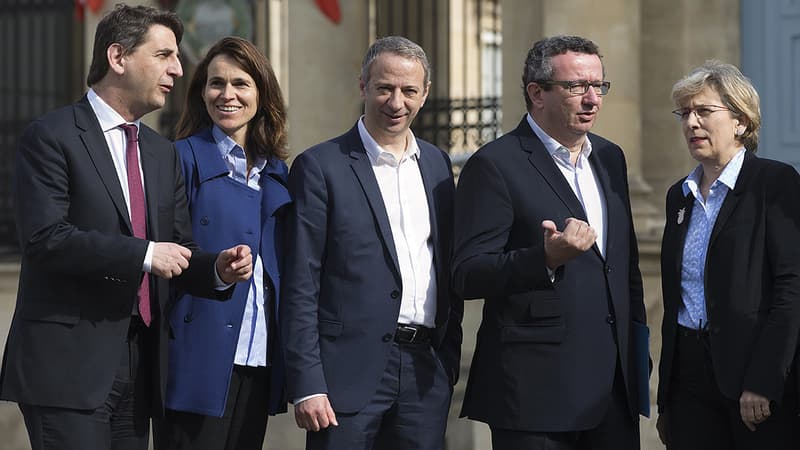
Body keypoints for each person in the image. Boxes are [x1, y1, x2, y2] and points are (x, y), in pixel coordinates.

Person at [0, 5, 253, 450]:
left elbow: (178, 249)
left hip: (142, 368)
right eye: (164, 55)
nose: (178, 69)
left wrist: (218, 270)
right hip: (69, 369)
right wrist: (143, 253)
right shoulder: (52, 135)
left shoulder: (160, 152)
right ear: (118, 57)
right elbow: (45, 240)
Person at [452, 35, 646, 449]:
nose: (592, 98)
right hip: (536, 394)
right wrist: (544, 258)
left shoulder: (610, 158)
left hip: (613, 388)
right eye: (576, 86)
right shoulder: (494, 165)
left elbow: (623, 267)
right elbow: (467, 275)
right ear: (536, 93)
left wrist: (636, 349)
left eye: (599, 86)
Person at [280, 35, 462, 450]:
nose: (396, 102)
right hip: (345, 379)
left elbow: (444, 265)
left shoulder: (437, 166)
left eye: (409, 91)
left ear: (425, 93)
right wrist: (307, 382)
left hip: (424, 375)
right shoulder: (319, 167)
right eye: (384, 88)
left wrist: (447, 359)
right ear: (363, 85)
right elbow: (301, 280)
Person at [656, 60, 800, 450]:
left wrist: (765, 378)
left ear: (740, 121)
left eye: (704, 111)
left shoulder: (774, 182)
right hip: (687, 378)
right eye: (684, 113)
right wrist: (666, 396)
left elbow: (791, 288)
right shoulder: (678, 196)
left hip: (752, 376)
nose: (691, 123)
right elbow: (677, 296)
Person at [159, 36, 291, 450]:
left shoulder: (277, 171)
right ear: (201, 94)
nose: (227, 94)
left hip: (258, 357)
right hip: (197, 358)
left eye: (240, 83)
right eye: (216, 83)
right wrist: (217, 269)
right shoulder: (180, 158)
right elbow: (164, 251)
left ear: (261, 93)